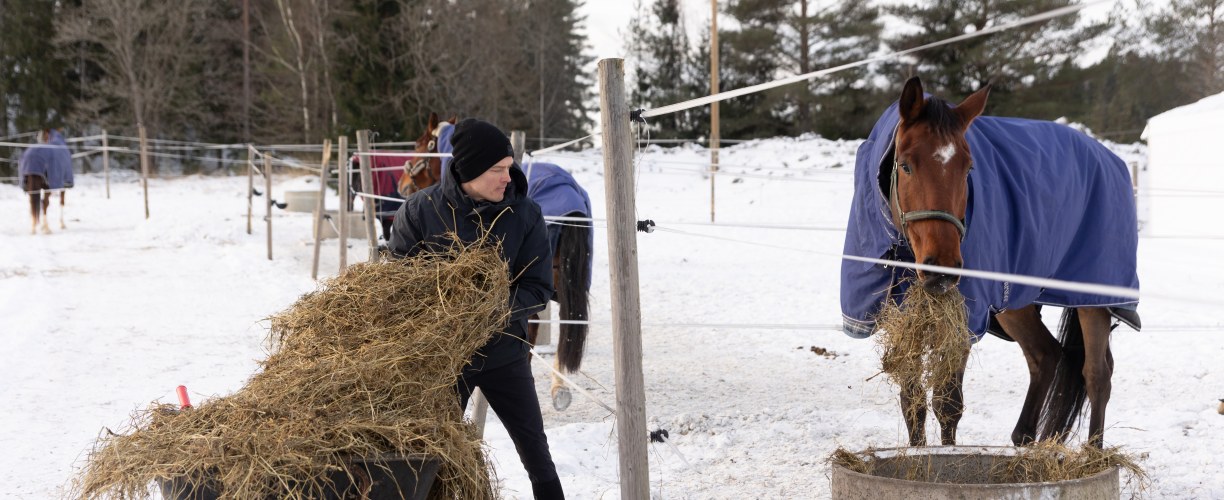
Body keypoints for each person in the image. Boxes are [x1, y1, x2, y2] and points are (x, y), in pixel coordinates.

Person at [387, 118, 564, 500]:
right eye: (497, 170)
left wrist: (487, 309)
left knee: (536, 452)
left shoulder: (526, 214)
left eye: (509, 166)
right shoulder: (420, 211)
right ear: (469, 170)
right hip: (444, 361)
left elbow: (538, 288)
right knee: (431, 453)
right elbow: (397, 285)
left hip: (505, 354)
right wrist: (445, 316)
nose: (508, 176)